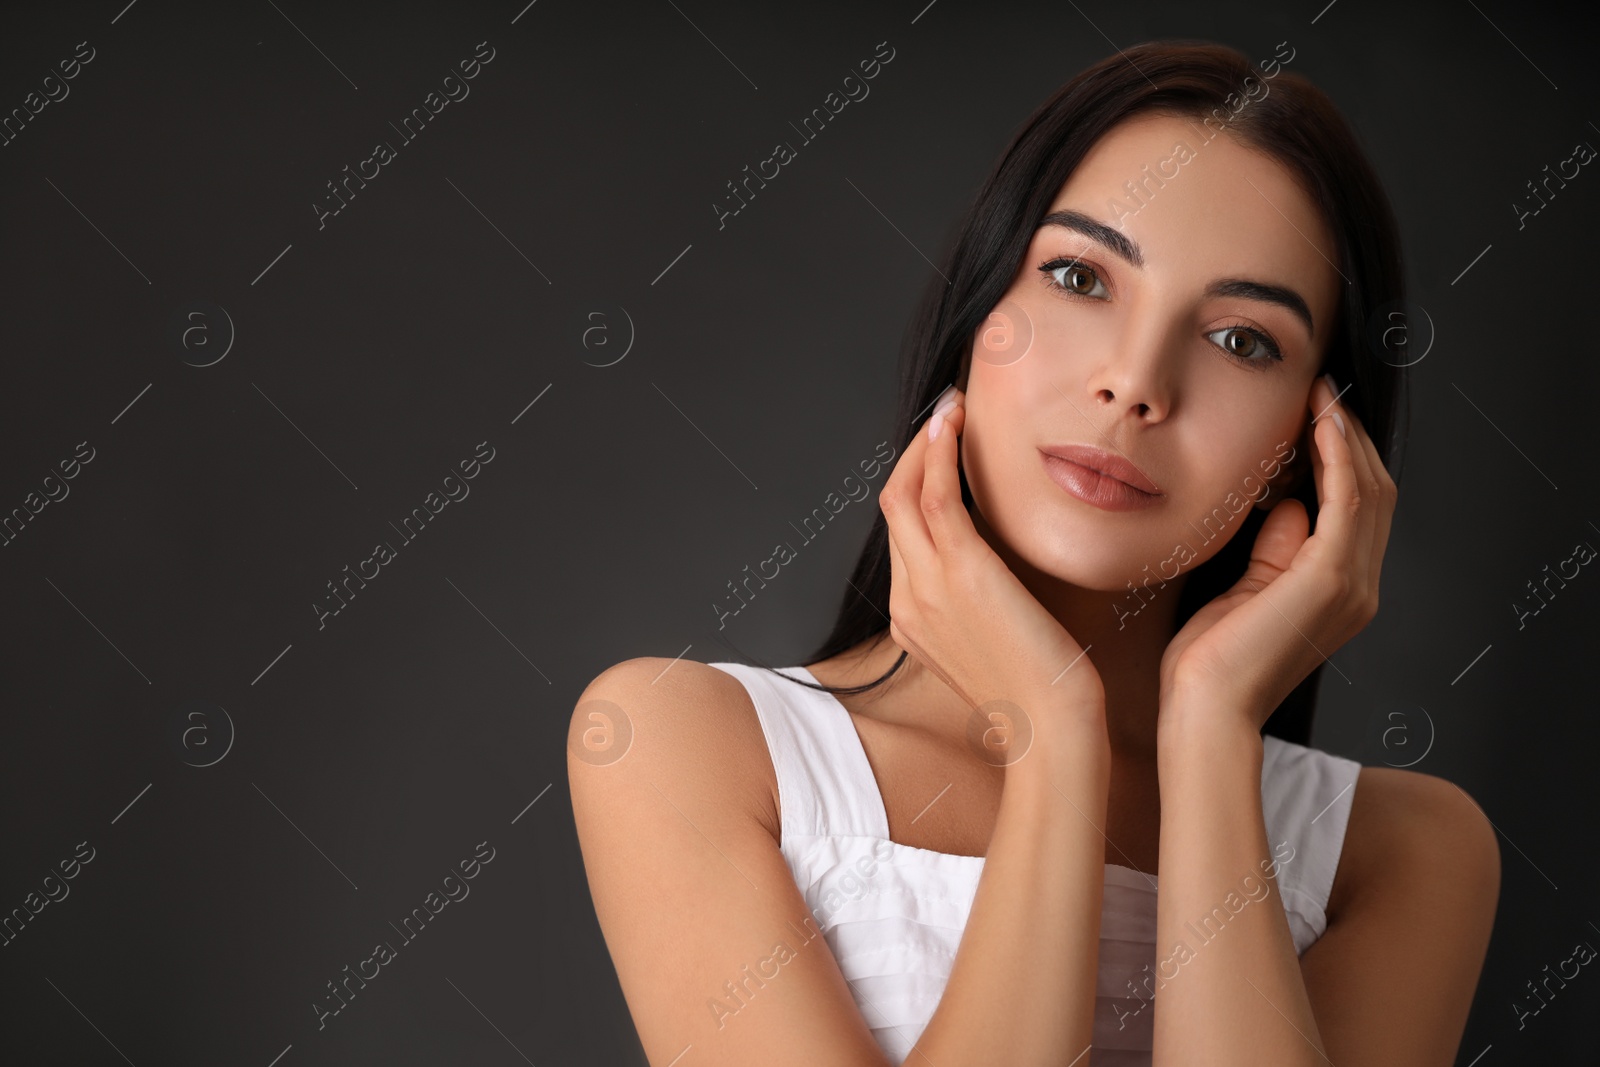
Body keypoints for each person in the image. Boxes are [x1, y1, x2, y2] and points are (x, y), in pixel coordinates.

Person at [568, 39, 1499, 1067]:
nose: (1134, 381)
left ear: (1313, 447)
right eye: (1076, 275)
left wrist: (1211, 727)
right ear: (977, 317)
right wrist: (1054, 733)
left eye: (1241, 339)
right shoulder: (686, 743)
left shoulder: (1401, 851)